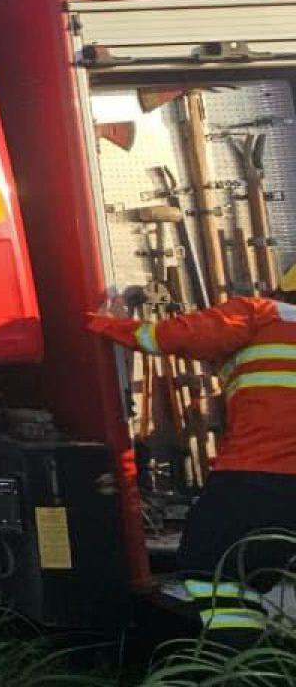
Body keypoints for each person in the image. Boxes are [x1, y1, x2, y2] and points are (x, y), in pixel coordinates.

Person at [88, 266, 296, 645]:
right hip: (270, 479)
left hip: (258, 475)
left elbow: (172, 336)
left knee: (210, 566)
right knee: (257, 566)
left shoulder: (260, 313)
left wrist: (111, 325)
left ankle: (237, 657)